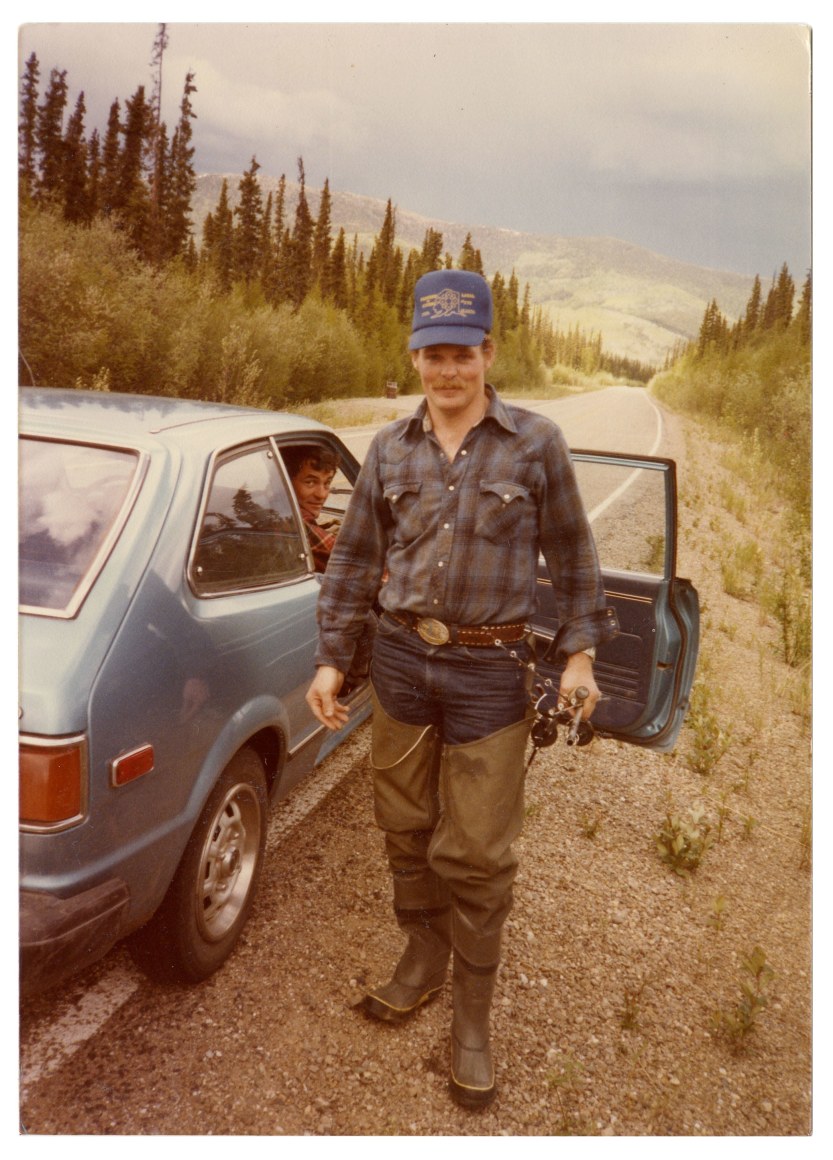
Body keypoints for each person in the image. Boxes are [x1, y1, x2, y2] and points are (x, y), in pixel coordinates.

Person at [305, 269, 618, 1109]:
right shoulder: (390, 450)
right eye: (432, 354)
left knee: (476, 853)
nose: (447, 371)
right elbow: (358, 562)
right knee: (404, 824)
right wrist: (334, 657)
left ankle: (471, 1019)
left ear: (488, 352)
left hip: (489, 671)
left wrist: (579, 655)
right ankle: (420, 959)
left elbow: (575, 556)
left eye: (462, 354)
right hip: (403, 660)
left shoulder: (535, 444)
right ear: (414, 356)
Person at [282, 444, 341, 573]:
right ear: (285, 482)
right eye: (310, 482)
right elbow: (358, 561)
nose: (322, 494)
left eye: (327, 483)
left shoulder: (270, 507)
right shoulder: (297, 524)